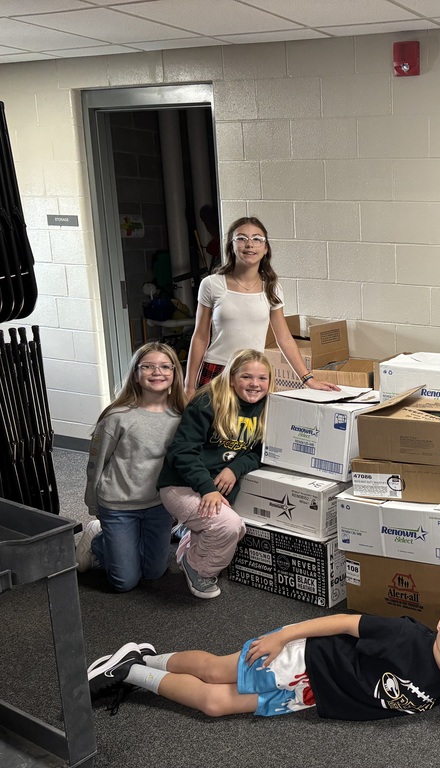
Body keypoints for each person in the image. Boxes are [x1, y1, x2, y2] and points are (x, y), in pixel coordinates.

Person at [86, 593, 440, 719]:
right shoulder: (405, 635)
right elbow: (344, 622)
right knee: (217, 671)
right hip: (306, 658)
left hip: (313, 695)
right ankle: (139, 662)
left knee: (215, 703)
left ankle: (131, 668)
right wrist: (285, 635)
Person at [157, 349, 272, 599]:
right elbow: (182, 452)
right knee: (231, 527)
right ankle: (197, 567)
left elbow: (261, 453)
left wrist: (234, 469)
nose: (255, 384)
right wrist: (207, 487)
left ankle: (190, 538)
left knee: (231, 528)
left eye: (262, 378)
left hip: (216, 487)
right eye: (246, 377)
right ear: (231, 378)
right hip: (183, 485)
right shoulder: (208, 401)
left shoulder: (266, 407)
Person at [183, 216, 337, 397]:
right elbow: (200, 337)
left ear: (265, 249)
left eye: (257, 239)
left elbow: (285, 338)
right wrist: (189, 385)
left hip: (254, 373)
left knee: (252, 426)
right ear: (231, 246)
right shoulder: (211, 284)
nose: (249, 244)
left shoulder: (272, 288)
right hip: (217, 370)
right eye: (241, 238)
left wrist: (308, 379)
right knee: (212, 425)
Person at [78, 342, 187, 592]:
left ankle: (124, 543)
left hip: (158, 506)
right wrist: (93, 503)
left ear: (174, 373)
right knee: (124, 582)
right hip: (118, 505)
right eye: (147, 366)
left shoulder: (183, 416)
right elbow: (96, 463)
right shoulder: (117, 416)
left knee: (154, 573)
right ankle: (97, 539)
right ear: (136, 374)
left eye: (164, 367)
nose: (156, 372)